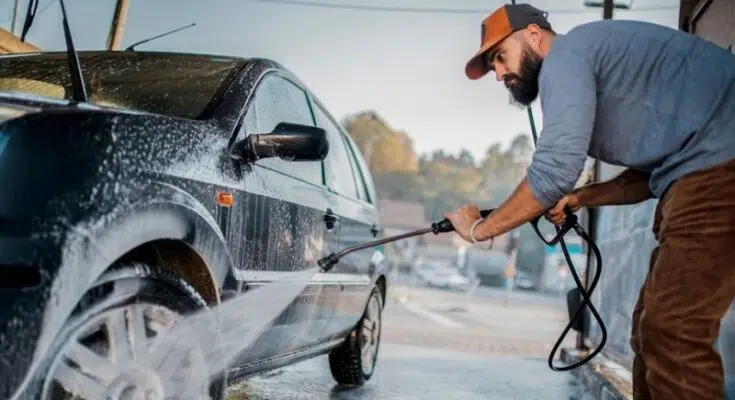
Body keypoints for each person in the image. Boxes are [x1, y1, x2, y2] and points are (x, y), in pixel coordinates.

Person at [443, 3, 735, 400]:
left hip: (719, 166)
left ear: (533, 35)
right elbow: (648, 178)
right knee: (650, 327)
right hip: (699, 169)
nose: (499, 73)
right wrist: (581, 197)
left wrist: (479, 229)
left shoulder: (566, 57)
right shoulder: (585, 61)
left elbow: (553, 171)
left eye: (500, 56)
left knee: (675, 330)